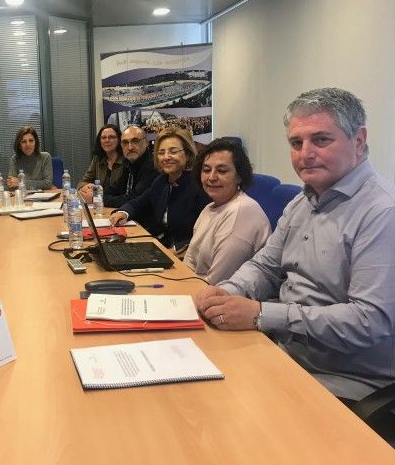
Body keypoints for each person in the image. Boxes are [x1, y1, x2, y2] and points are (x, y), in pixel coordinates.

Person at [196, 88, 395, 403]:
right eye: (296, 143)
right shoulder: (302, 202)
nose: (305, 154)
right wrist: (228, 290)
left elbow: (369, 321)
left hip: (344, 381)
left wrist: (263, 314)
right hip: (282, 352)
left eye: (321, 140)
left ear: (359, 140)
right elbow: (265, 266)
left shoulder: (382, 212)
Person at [109, 127, 210, 253]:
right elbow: (139, 202)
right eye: (161, 153)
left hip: (187, 254)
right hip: (162, 247)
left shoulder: (200, 186)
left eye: (173, 151)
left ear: (188, 154)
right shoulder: (161, 181)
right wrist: (124, 213)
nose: (166, 157)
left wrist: (174, 250)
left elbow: (206, 234)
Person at [183, 139, 270, 284]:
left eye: (222, 171)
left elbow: (218, 281)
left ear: (239, 176)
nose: (211, 177)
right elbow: (190, 260)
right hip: (199, 286)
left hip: (227, 293)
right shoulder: (209, 208)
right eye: (206, 170)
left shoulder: (243, 211)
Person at [85, 125, 160, 232]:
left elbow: (133, 198)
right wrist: (96, 193)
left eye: (135, 141)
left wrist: (97, 198)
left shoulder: (152, 165)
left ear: (146, 142)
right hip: (131, 220)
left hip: (146, 226)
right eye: (125, 143)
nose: (130, 147)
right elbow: (117, 188)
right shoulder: (129, 162)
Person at [76, 124, 124, 192]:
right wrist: (87, 186)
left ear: (119, 140)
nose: (107, 140)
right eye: (103, 137)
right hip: (98, 198)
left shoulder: (126, 160)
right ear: (100, 141)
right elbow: (83, 182)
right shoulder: (98, 159)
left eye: (111, 137)